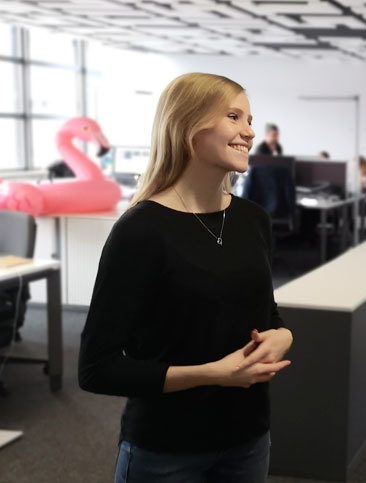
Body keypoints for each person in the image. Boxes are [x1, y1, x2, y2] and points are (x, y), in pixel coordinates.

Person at [78, 73, 294, 483]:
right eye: (234, 116)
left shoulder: (253, 220)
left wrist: (284, 336)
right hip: (166, 449)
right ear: (188, 125)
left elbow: (267, 314)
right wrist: (213, 373)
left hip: (248, 438)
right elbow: (96, 369)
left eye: (250, 119)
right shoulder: (140, 230)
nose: (249, 132)